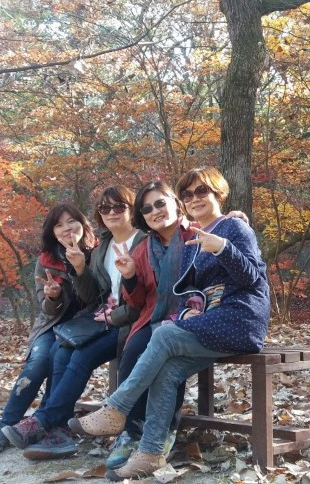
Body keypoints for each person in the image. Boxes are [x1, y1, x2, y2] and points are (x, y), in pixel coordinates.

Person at [69, 167, 270, 481]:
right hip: (211, 321)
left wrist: (223, 247)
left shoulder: (233, 227)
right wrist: (186, 309)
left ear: (218, 192)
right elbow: (192, 292)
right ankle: (150, 453)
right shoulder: (180, 242)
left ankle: (116, 409)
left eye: (201, 191)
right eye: (188, 194)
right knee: (167, 370)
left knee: (162, 335)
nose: (194, 198)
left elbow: (252, 278)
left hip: (241, 318)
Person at [3, 186, 145, 460]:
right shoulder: (103, 248)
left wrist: (113, 314)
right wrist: (79, 269)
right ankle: (56, 431)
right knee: (59, 351)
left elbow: (146, 297)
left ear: (132, 209)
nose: (112, 212)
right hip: (92, 321)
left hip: (128, 323)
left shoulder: (144, 242)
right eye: (105, 208)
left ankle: (44, 422)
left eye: (119, 207)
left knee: (81, 355)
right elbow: (93, 296)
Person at [0, 204, 96, 452]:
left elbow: (95, 298)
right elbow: (46, 309)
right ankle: (6, 424)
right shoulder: (46, 260)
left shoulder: (99, 252)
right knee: (39, 362)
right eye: (59, 225)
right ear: (52, 232)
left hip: (86, 326)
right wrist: (53, 296)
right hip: (51, 325)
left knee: (60, 358)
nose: (66, 228)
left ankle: (44, 423)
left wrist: (80, 268)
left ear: (83, 224)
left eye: (71, 221)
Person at [103, 181, 194, 469]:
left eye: (160, 203)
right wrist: (130, 276)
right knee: (132, 353)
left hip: (190, 317)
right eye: (146, 208)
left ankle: (164, 431)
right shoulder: (144, 248)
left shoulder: (195, 233)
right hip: (152, 316)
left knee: (169, 358)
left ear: (175, 203)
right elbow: (138, 300)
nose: (155, 211)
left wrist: (236, 216)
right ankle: (131, 432)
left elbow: (221, 226)